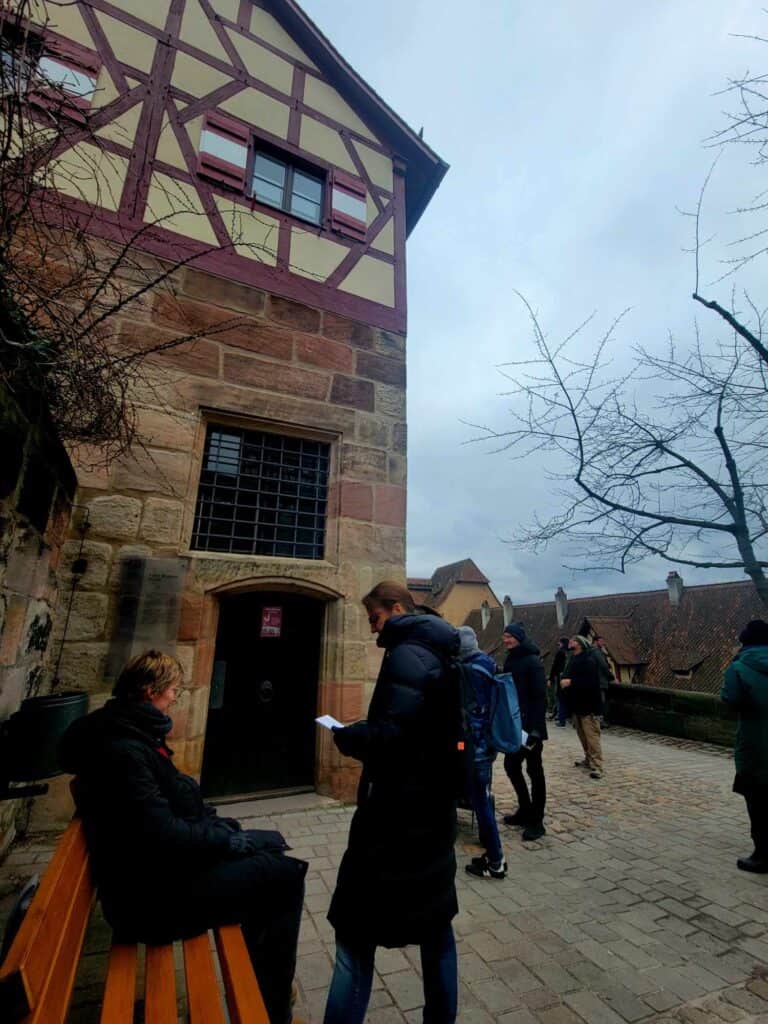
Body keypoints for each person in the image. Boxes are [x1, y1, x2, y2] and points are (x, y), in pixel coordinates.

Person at [58, 650, 307, 1024]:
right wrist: (225, 841)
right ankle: (272, 1008)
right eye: (172, 689)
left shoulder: (127, 731)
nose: (176, 696)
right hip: (151, 899)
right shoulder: (123, 748)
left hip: (158, 874)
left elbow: (166, 807)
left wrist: (223, 831)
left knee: (271, 856)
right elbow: (161, 832)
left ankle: (269, 983)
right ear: (148, 690)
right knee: (284, 878)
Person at [325, 581, 460, 1024]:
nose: (371, 627)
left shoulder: (407, 653)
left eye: (374, 617)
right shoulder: (438, 648)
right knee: (436, 928)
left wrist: (351, 736)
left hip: (396, 819)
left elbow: (394, 739)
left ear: (396, 607)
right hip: (432, 811)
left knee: (355, 936)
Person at [458, 626, 507, 880]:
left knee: (481, 803)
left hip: (473, 748)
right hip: (488, 746)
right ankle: (495, 857)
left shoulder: (468, 671)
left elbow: (470, 716)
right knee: (483, 798)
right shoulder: (488, 663)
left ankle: (496, 860)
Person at [721, 619, 768, 874]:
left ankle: (763, 855)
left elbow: (730, 699)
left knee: (758, 800)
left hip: (756, 744)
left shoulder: (739, 667)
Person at [500, 622, 548, 841]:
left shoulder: (532, 661)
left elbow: (540, 697)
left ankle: (537, 821)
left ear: (519, 638)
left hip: (531, 728)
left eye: (510, 637)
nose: (506, 640)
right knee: (511, 765)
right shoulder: (512, 659)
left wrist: (537, 729)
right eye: (505, 637)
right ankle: (525, 809)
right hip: (516, 725)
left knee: (534, 770)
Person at [561, 635, 604, 780]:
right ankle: (588, 759)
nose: (570, 642)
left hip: (589, 705)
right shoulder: (574, 658)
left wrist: (570, 682)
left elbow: (590, 682)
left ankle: (597, 765)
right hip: (577, 703)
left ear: (579, 644)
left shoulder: (588, 660)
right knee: (582, 735)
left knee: (592, 736)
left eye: (573, 640)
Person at [592, 636, 615, 728]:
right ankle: (601, 721)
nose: (603, 643)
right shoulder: (596, 652)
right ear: (596, 641)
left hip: (594, 680)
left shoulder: (590, 651)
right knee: (601, 701)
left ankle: (597, 720)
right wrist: (611, 677)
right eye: (601, 641)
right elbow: (603, 666)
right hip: (600, 681)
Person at [549, 637, 570, 727]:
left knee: (560, 697)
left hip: (560, 677)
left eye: (559, 644)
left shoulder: (560, 653)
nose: (558, 646)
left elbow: (554, 666)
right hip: (568, 678)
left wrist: (550, 678)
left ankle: (560, 717)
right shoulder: (570, 653)